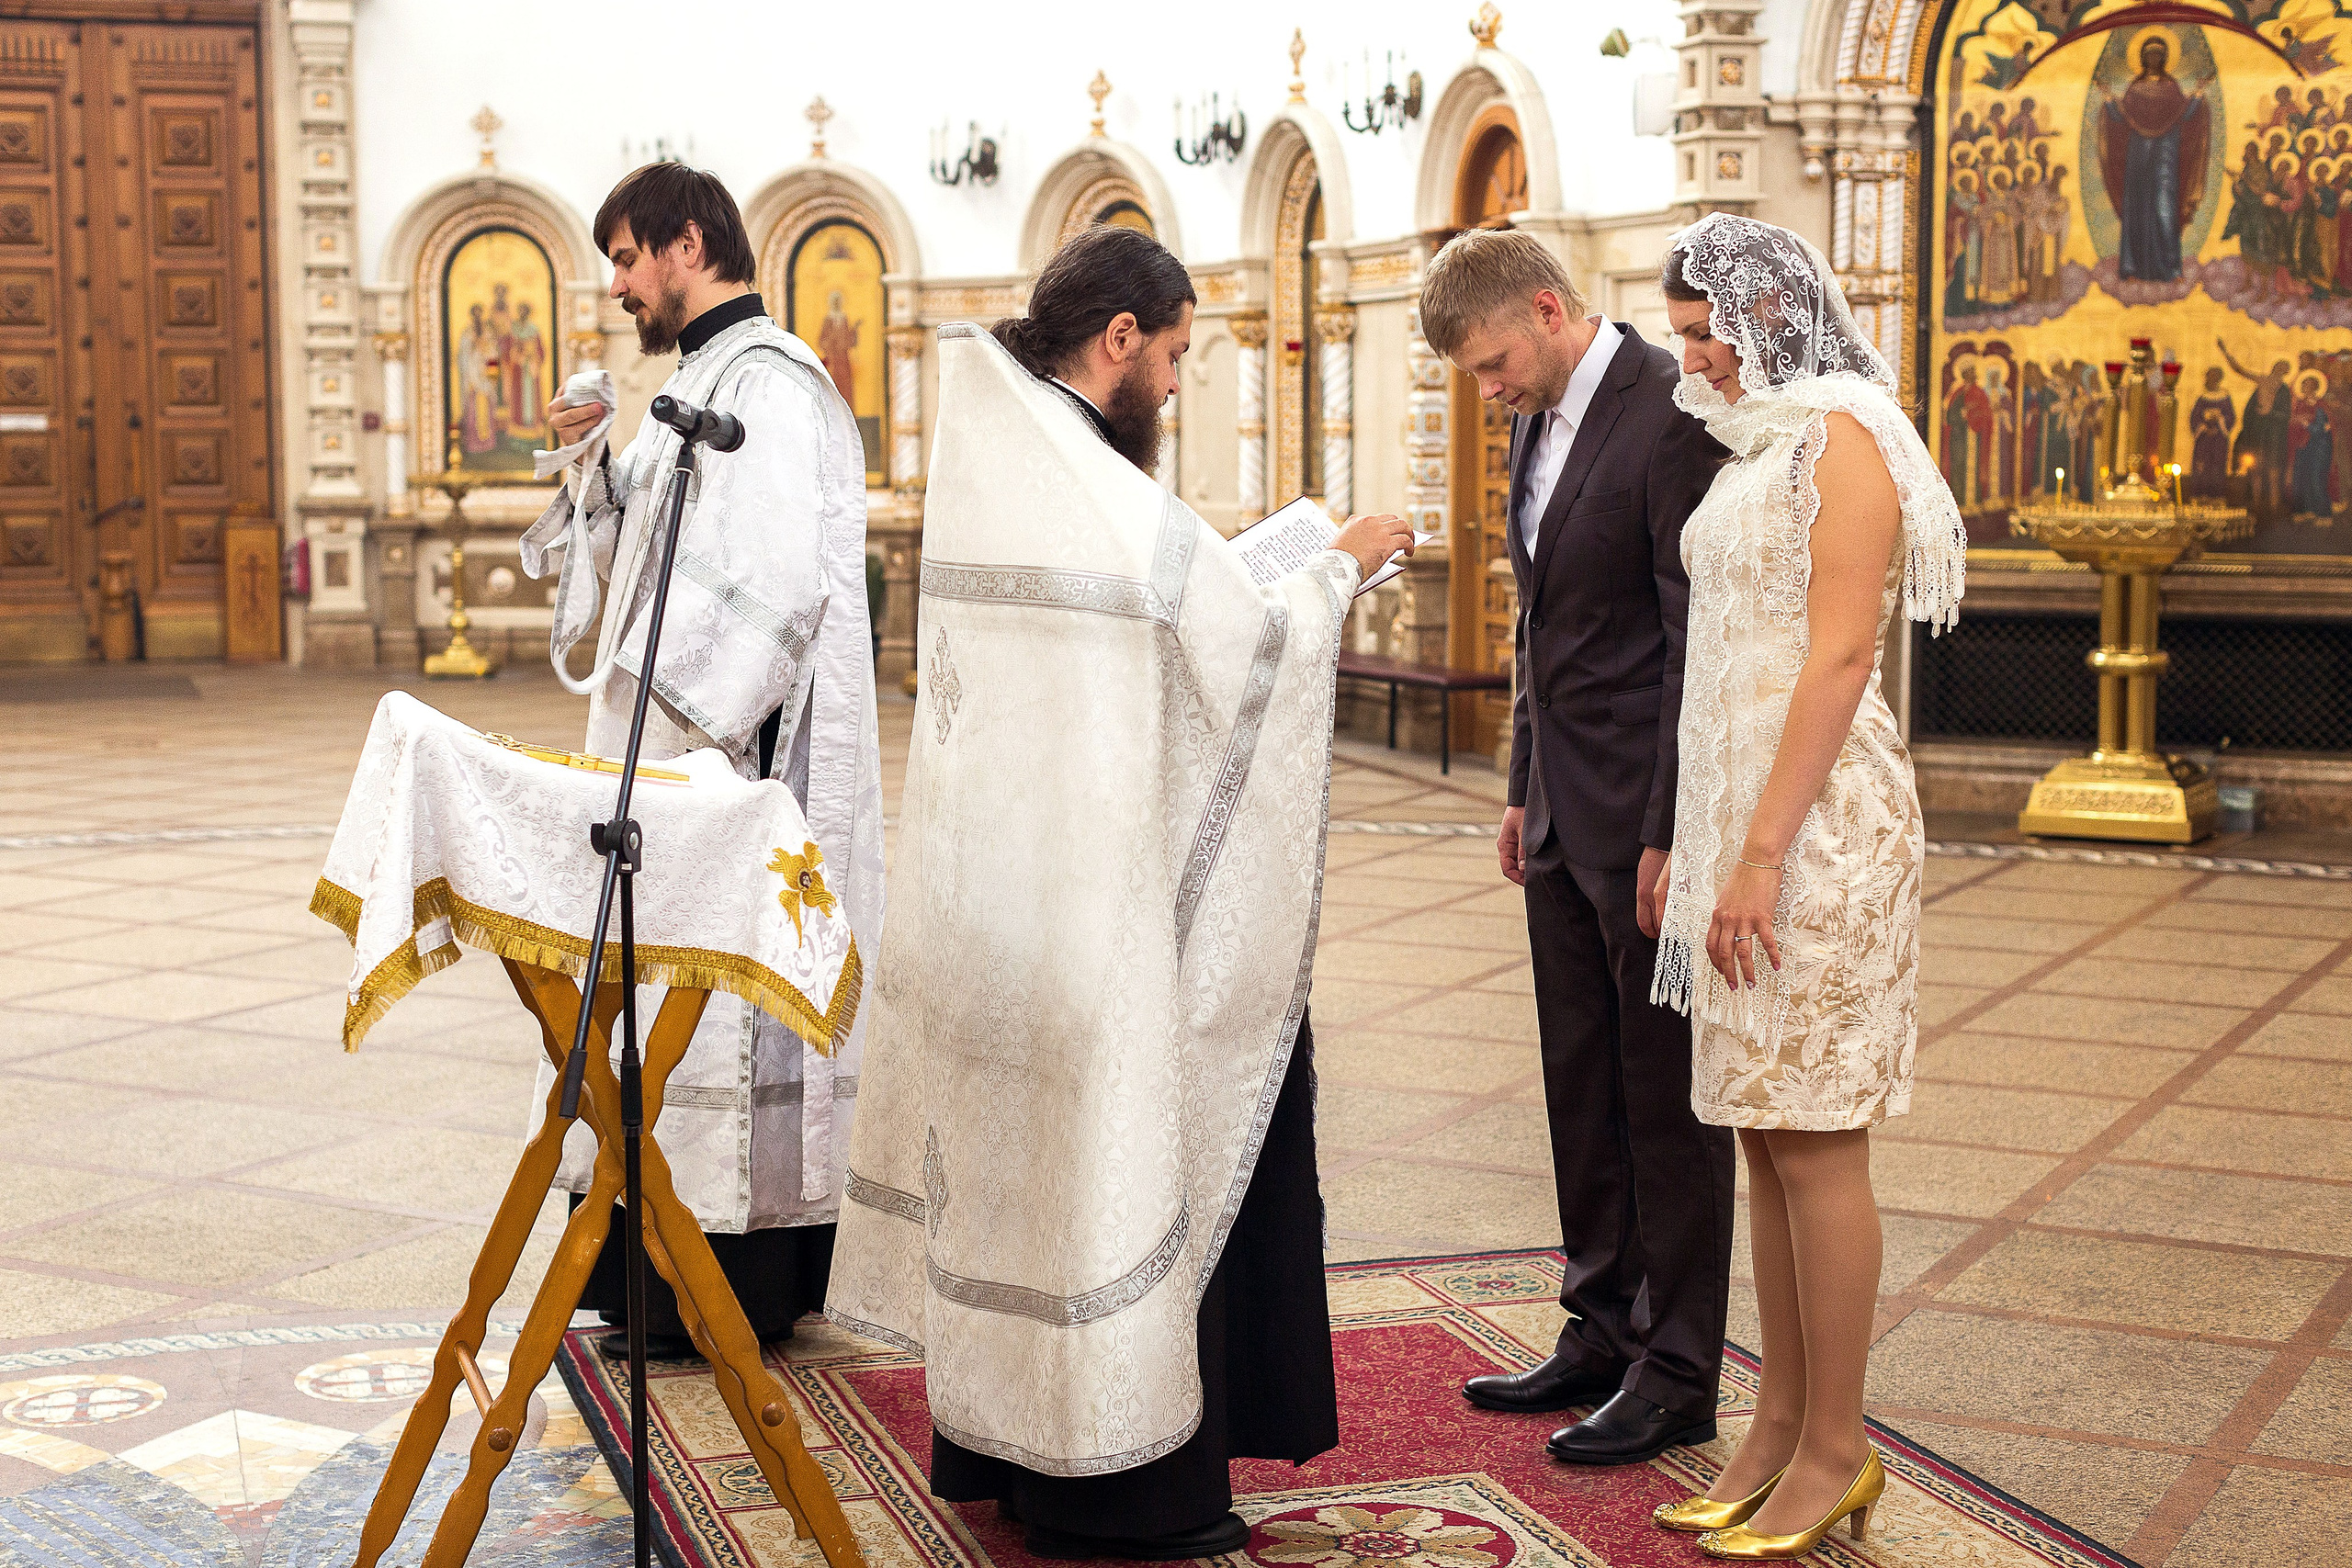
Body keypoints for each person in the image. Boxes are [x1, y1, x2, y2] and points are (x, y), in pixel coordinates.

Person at [827, 224, 1415, 1561]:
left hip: (1005, 909)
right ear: (1119, 341)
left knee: (1023, 1186)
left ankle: (1014, 1466)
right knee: (1105, 1174)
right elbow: (1244, 645)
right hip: (1096, 927)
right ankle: (1125, 1491)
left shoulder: (1010, 460)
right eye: (1176, 357)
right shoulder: (1091, 483)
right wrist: (1341, 562)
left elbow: (1154, 624)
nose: (1175, 383)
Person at [521, 162, 885, 1360]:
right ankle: (649, 1273)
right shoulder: (698, 382)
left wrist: (689, 730)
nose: (618, 287)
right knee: (652, 1016)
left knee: (718, 1023)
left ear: (684, 245)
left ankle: (726, 1281)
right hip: (673, 765)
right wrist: (592, 465)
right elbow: (634, 566)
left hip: (730, 769)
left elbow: (777, 591)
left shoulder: (773, 388)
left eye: (627, 259)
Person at [1647, 212, 1966, 1561]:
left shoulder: (1841, 439)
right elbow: (1719, 661)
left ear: (1768, 316)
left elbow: (1839, 662)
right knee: (1763, 1134)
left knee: (1820, 1136)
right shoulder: (1763, 447)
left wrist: (1764, 853)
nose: (1698, 360)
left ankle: (1839, 1449)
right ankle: (1777, 1428)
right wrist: (1698, 842)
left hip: (1819, 831)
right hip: (1745, 820)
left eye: (1706, 333)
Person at [1414, 227, 1735, 1467]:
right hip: (1555, 814)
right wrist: (1518, 782)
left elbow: (1687, 641)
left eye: (1495, 362)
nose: (1489, 389)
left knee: (1666, 1102)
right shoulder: (1533, 415)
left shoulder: (1671, 412)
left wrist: (1668, 832)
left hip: (1642, 822)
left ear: (1549, 310)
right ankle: (1601, 1323)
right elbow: (1544, 619)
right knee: (1579, 1082)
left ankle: (1682, 1367)